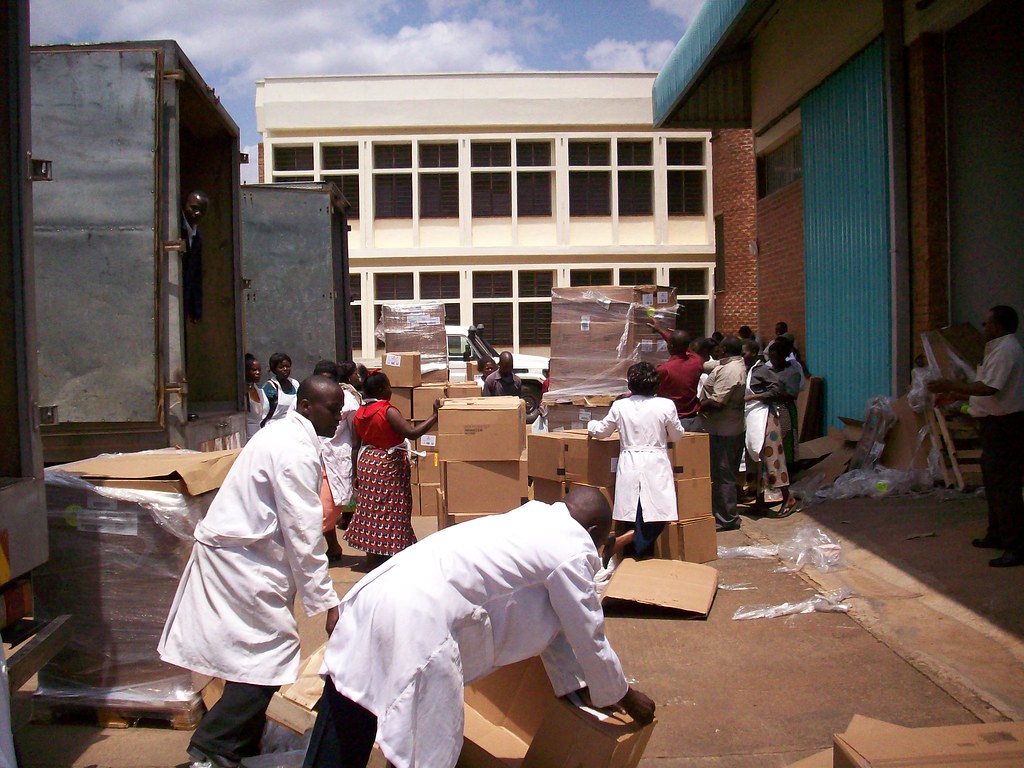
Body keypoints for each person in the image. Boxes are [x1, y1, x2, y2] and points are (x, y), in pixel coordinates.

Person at [303, 487, 656, 768]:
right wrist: (624, 695)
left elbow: (558, 628)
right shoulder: (572, 550)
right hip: (420, 622)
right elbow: (587, 635)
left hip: (379, 593)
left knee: (351, 704)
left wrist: (577, 685)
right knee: (420, 744)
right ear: (595, 532)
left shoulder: (532, 518)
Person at [158, 377, 344, 768]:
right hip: (241, 565)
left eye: (340, 408)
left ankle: (235, 744)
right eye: (332, 408)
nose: (338, 417)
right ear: (307, 406)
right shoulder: (293, 449)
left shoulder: (286, 437)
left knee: (249, 657)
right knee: (266, 659)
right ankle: (213, 749)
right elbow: (303, 532)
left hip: (245, 559)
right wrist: (327, 603)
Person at [928, 305, 1024, 567]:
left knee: (1005, 486)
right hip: (994, 425)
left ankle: (1016, 546)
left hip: (1006, 426)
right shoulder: (996, 349)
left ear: (999, 326)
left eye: (987, 323)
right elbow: (981, 390)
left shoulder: (1006, 350)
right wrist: (956, 395)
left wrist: (949, 384)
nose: (984, 328)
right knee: (993, 482)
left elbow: (989, 387)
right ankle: (997, 534)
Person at [588, 362, 685, 561]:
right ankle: (632, 547)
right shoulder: (666, 405)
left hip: (629, 460)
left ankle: (627, 542)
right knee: (658, 512)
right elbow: (676, 436)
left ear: (631, 385)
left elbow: (602, 431)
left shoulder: (620, 406)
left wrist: (591, 425)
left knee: (638, 509)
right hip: (655, 461)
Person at [344, 371, 439, 570]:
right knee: (395, 510)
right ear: (381, 390)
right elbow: (412, 433)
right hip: (388, 465)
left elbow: (354, 446)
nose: (391, 390)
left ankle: (372, 556)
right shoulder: (387, 411)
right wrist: (435, 416)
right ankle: (394, 555)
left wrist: (355, 474)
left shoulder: (360, 413)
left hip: (367, 463)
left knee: (372, 511)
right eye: (388, 386)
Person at [741, 340, 795, 516]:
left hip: (767, 419)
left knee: (773, 459)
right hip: (753, 419)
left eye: (745, 353)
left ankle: (788, 498)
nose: (743, 356)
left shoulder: (762, 370)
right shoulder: (748, 370)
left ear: (754, 353)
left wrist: (754, 397)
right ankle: (759, 498)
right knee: (754, 460)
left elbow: (776, 391)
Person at [312, 360, 360, 561]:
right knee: (318, 506)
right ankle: (331, 547)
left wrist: (356, 463)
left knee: (328, 509)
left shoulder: (348, 401)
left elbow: (355, 432)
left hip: (337, 458)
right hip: (313, 457)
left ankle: (319, 551)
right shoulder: (308, 397)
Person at [700, 335, 747, 531]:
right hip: (723, 427)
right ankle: (723, 513)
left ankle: (727, 518)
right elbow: (708, 366)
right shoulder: (728, 364)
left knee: (724, 474)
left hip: (725, 429)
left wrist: (696, 406)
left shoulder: (731, 371)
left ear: (725, 349)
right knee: (721, 473)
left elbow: (718, 403)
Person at [766, 336, 801, 466]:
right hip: (770, 408)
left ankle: (788, 468)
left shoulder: (791, 373)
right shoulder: (768, 370)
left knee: (785, 438)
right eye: (771, 357)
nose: (773, 360)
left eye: (776, 357)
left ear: (784, 356)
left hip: (784, 409)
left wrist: (773, 394)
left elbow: (792, 394)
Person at [181, 190, 208, 324]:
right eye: (194, 208)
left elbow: (196, 275)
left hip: (184, 300)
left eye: (202, 211)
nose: (197, 213)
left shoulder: (197, 237)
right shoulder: (176, 229)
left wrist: (195, 309)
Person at [262, 352, 299, 425]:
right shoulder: (269, 387)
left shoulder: (295, 384)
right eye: (281, 367)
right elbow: (264, 412)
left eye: (287, 366)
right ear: (274, 369)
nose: (285, 369)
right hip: (274, 426)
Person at [244, 353, 268, 441]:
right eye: (254, 370)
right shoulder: (242, 394)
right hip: (247, 437)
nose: (258, 373)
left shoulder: (259, 391)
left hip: (259, 436)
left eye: (259, 370)